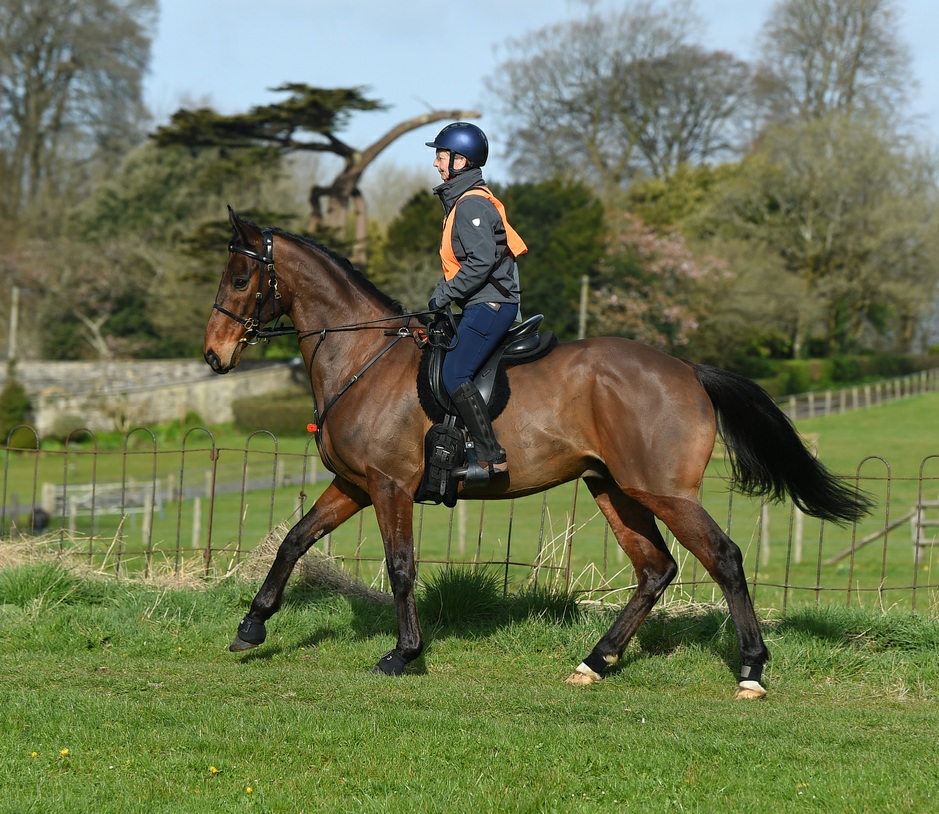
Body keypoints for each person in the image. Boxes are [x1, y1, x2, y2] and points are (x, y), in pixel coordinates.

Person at [425, 122, 527, 478]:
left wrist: (444, 294)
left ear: (460, 161)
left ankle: (491, 454)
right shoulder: (464, 202)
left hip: (491, 303)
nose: (436, 164)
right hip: (481, 300)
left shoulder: (470, 206)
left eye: (441, 156)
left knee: (454, 373)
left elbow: (481, 263)